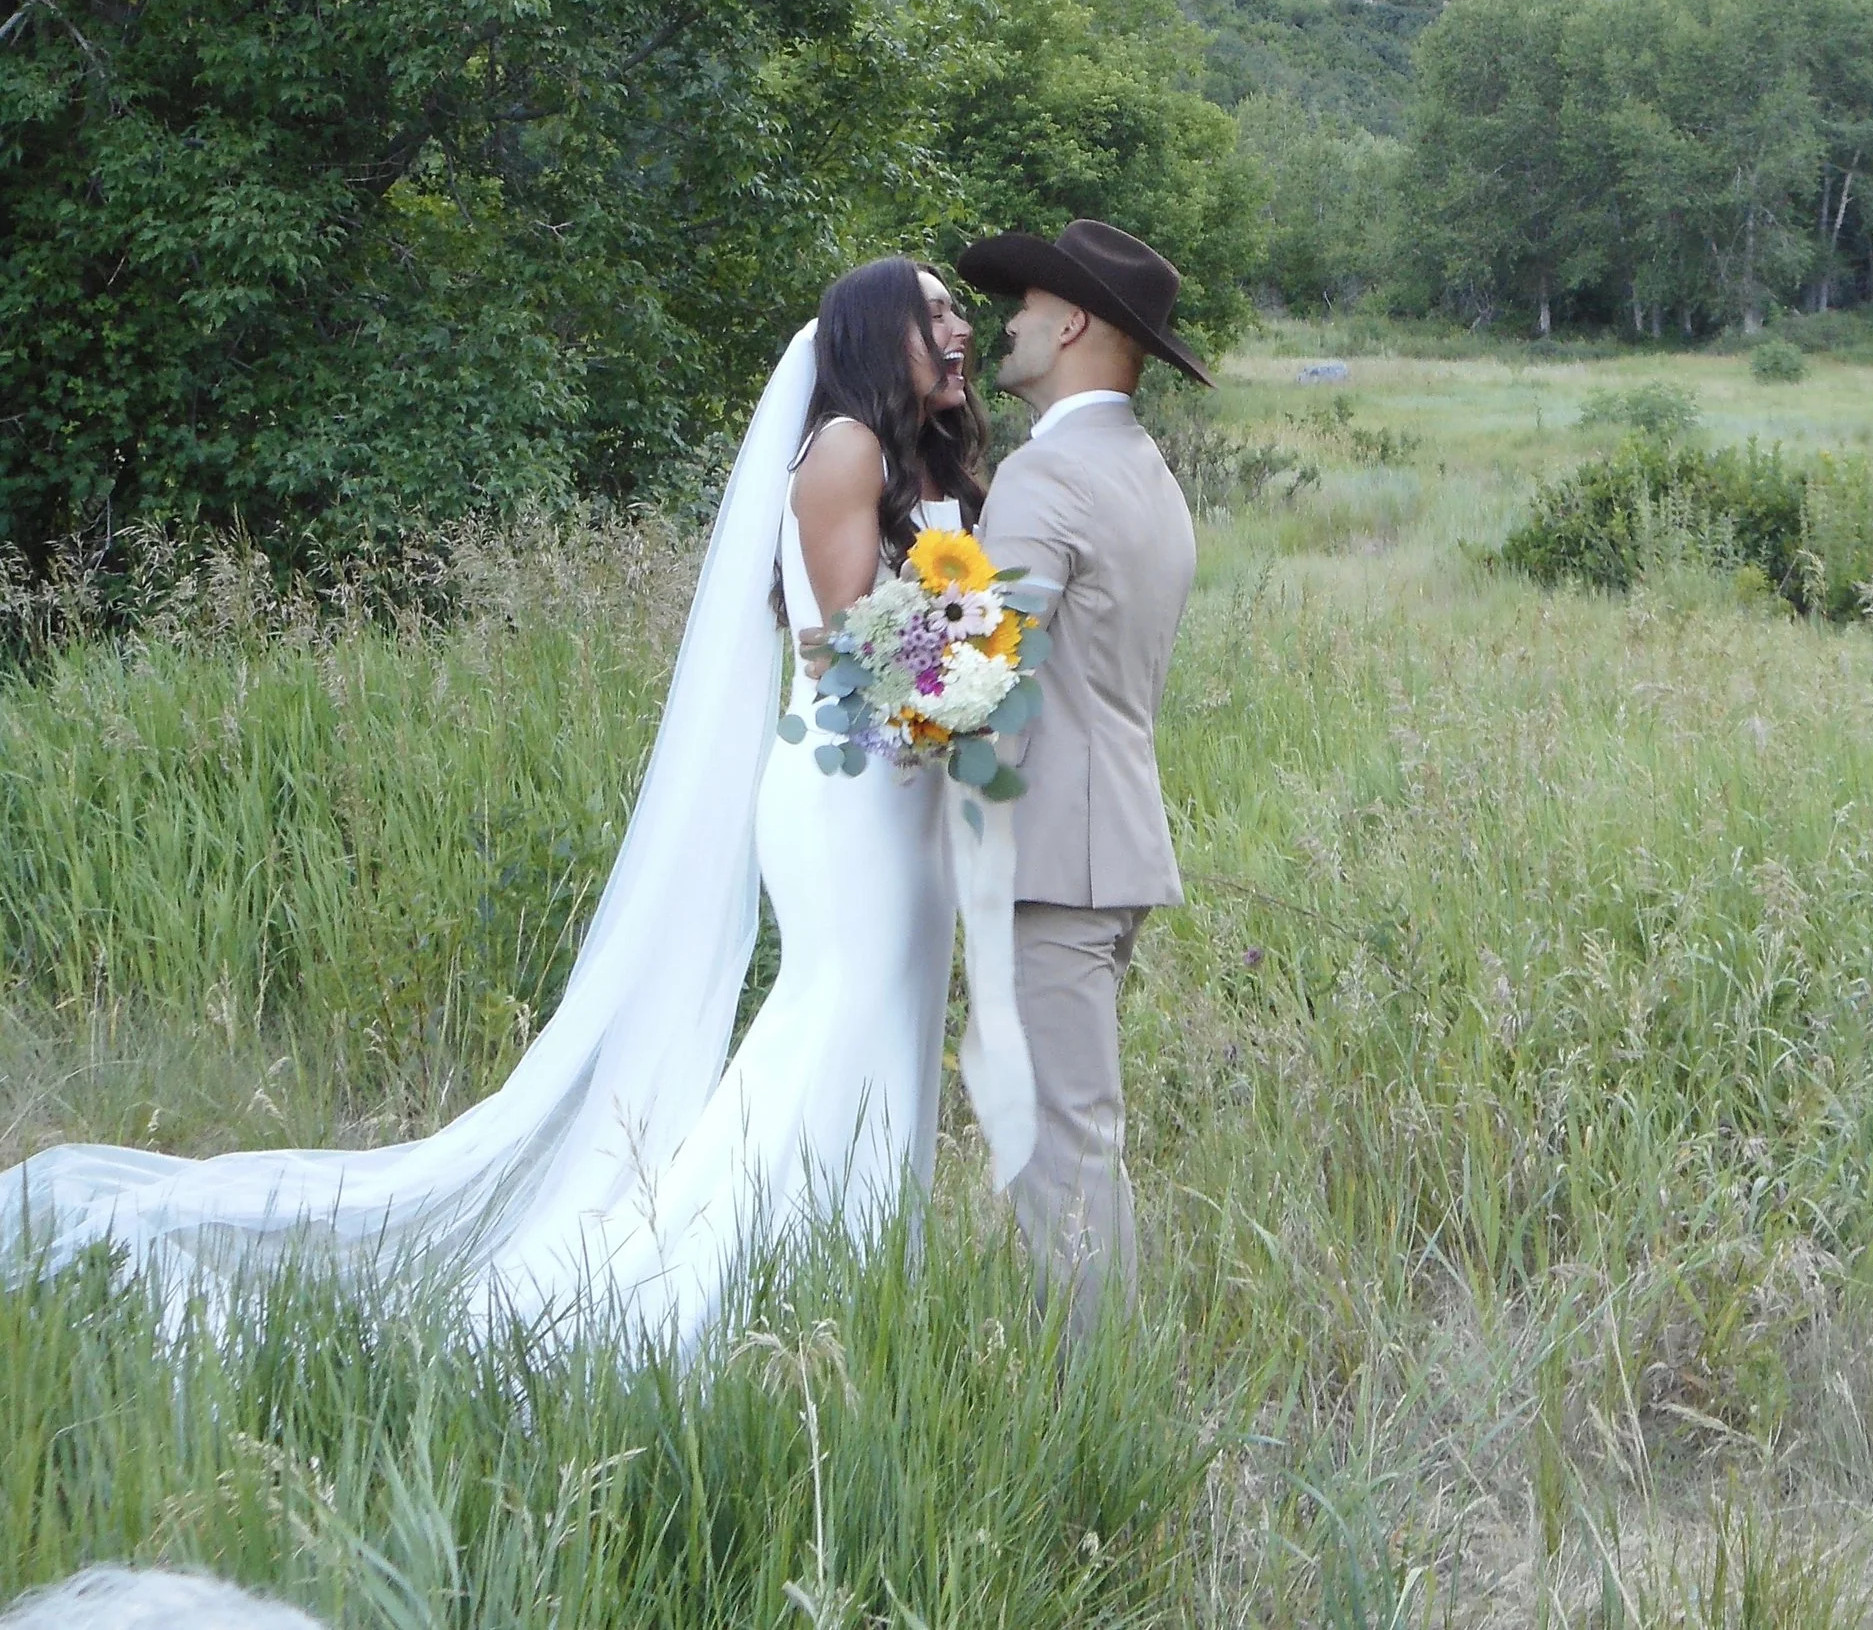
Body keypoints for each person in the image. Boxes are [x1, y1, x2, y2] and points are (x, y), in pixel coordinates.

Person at [1, 259, 986, 1338]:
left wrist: (975, 669)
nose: (958, 327)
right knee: (831, 1014)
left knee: (888, 1019)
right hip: (846, 801)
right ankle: (678, 1284)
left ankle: (851, 1271)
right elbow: (845, 642)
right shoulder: (845, 447)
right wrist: (970, 670)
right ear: (873, 330)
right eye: (934, 310)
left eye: (960, 311)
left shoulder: (919, 464)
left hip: (902, 794)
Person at [957, 216, 1205, 1330]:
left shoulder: (1044, 475)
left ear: (1070, 324)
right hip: (1116, 846)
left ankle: (1092, 1406)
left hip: (1050, 858)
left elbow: (989, 687)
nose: (1005, 323)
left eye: (1020, 306)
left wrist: (931, 812)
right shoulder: (1145, 470)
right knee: (1082, 1132)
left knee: (1062, 1144)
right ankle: (1097, 1385)